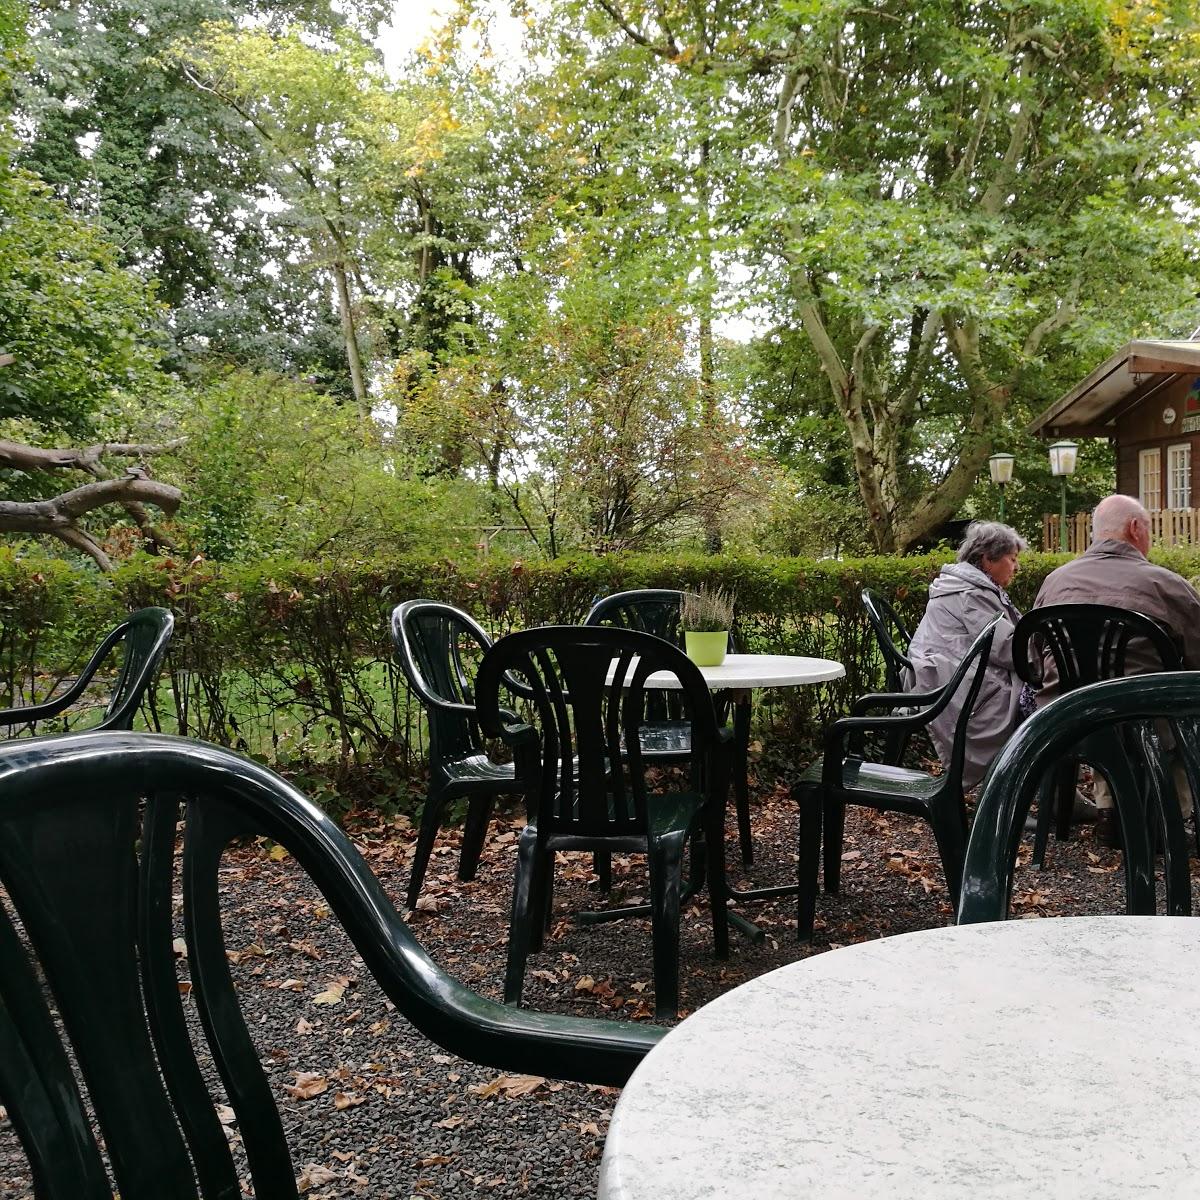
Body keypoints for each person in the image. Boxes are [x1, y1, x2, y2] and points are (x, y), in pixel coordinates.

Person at [1032, 493, 1200, 843]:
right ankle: (1171, 814)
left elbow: (1035, 659)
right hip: (1144, 721)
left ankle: (1110, 808)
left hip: (1065, 720)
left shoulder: (1055, 582)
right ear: (1136, 528)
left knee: (1098, 697)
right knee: (1173, 705)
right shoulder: (1166, 585)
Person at [905, 521, 1027, 789]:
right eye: (1012, 558)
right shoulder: (971, 592)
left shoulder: (968, 585)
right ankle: (1016, 794)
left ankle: (1034, 791)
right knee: (1039, 700)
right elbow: (1007, 649)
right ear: (987, 559)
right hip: (956, 686)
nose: (1016, 566)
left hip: (953, 675)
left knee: (1036, 693)